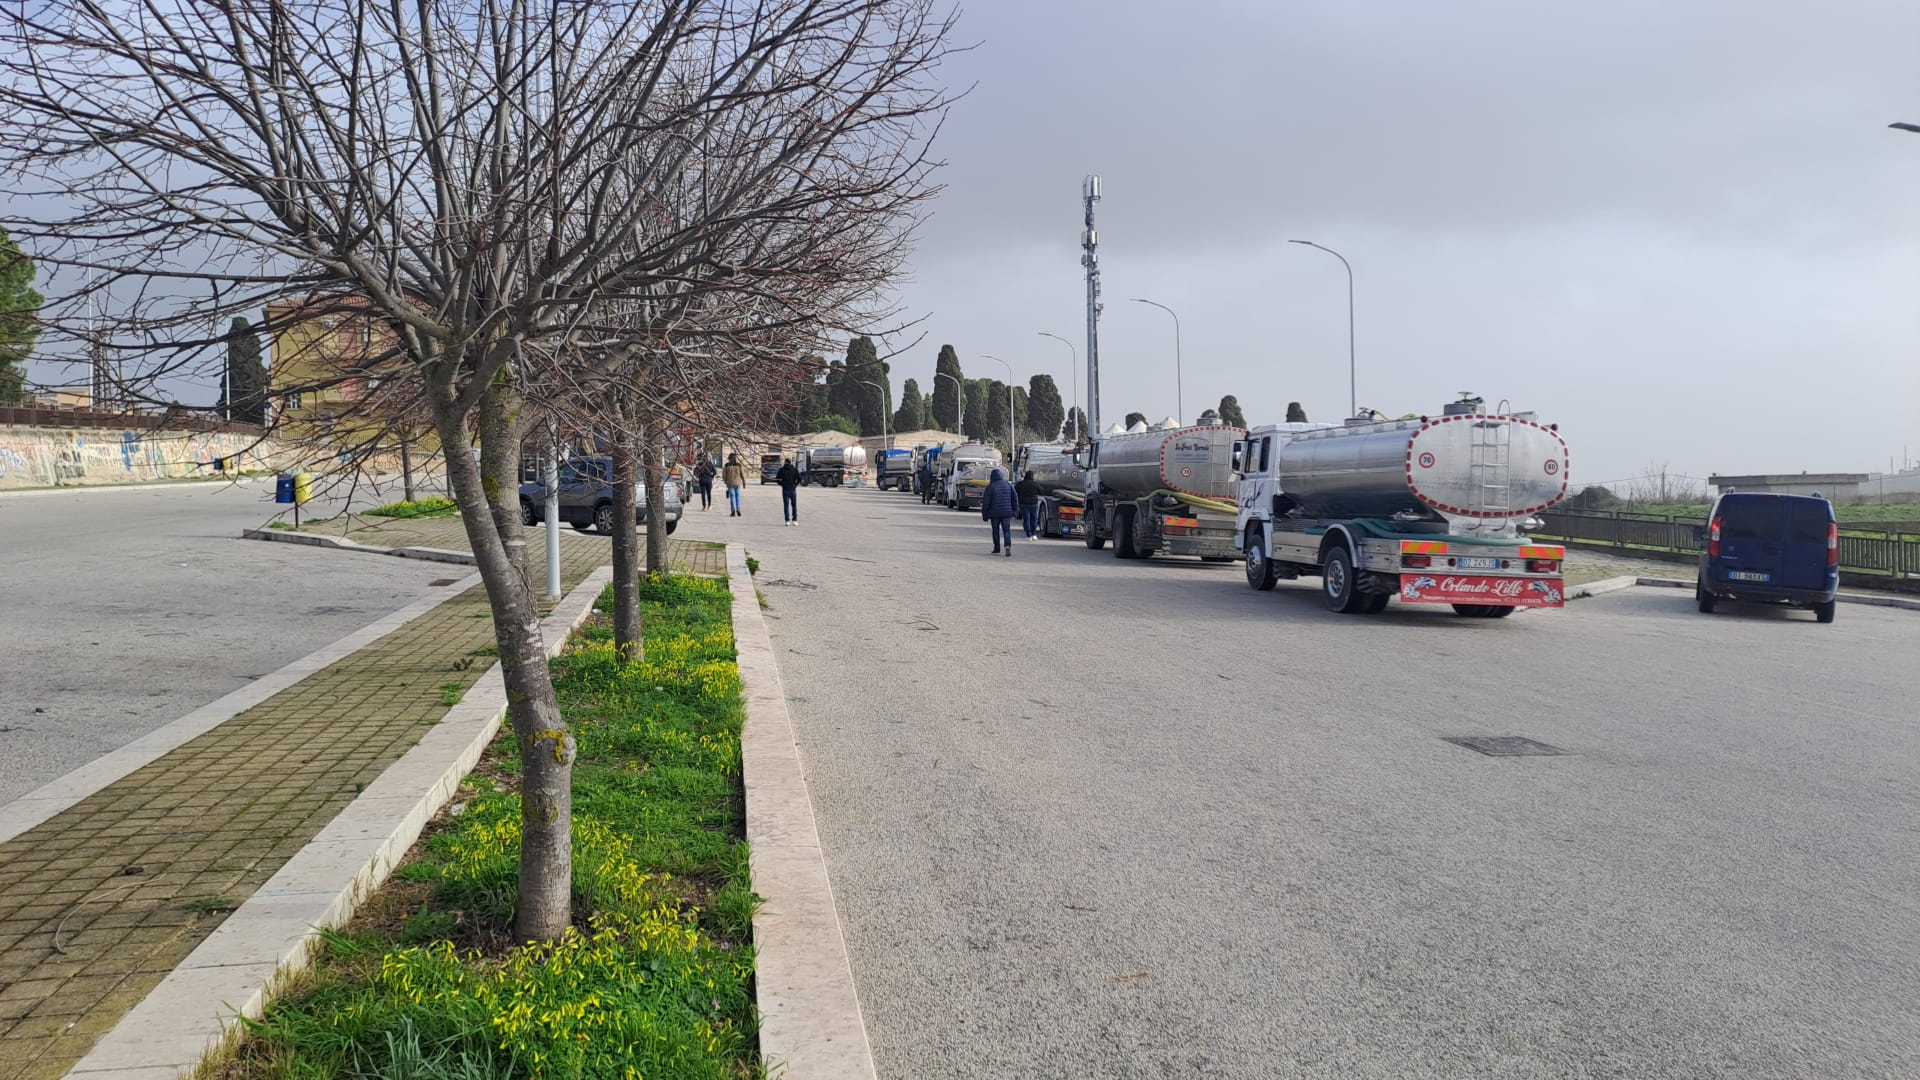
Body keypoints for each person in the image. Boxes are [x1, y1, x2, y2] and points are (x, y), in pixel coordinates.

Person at [980, 467, 1017, 556]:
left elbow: (986, 502)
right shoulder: (1008, 485)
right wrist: (1015, 510)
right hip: (1006, 513)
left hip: (994, 514)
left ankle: (997, 549)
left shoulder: (990, 487)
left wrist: (985, 514)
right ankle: (1007, 546)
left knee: (995, 531)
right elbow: (1014, 498)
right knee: (1007, 531)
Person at [1015, 470, 1043, 541]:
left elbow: (1016, 491)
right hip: (1033, 504)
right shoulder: (1035, 484)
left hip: (1023, 504)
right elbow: (1041, 492)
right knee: (1034, 519)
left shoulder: (1020, 484)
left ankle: (1029, 535)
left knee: (1026, 519)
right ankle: (1033, 534)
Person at [776, 457, 802, 525]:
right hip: (793, 489)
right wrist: (795, 485)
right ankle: (795, 520)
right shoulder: (794, 469)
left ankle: (787, 520)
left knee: (786, 505)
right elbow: (799, 479)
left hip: (785, 490)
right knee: (794, 505)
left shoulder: (782, 470)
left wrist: (782, 484)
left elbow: (777, 479)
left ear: (785, 462)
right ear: (790, 462)